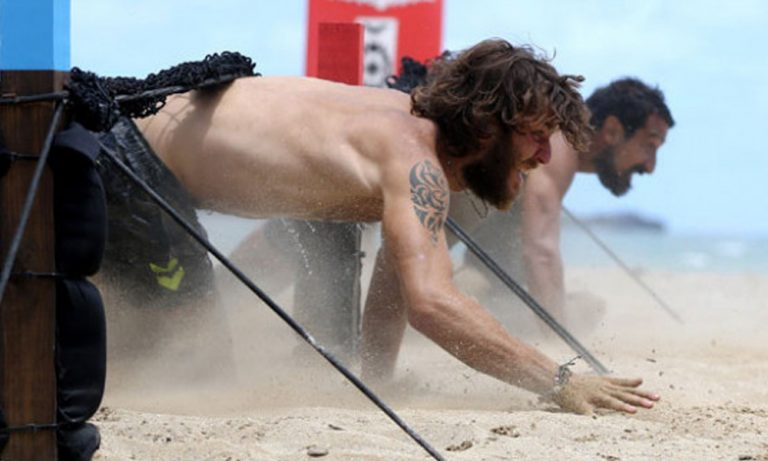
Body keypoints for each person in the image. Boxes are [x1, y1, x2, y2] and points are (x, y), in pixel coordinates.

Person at [105, 38, 659, 414]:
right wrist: (558, 381)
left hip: (138, 158)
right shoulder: (412, 157)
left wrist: (378, 380)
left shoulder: (420, 143)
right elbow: (433, 304)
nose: (545, 155)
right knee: (193, 375)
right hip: (129, 161)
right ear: (490, 127)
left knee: (179, 358)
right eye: (536, 136)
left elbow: (397, 285)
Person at [449, 78, 674, 331]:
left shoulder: (542, 159)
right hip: (425, 240)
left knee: (588, 307)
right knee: (577, 312)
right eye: (649, 145)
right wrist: (558, 339)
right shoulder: (559, 143)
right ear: (612, 130)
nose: (650, 166)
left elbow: (495, 264)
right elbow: (541, 253)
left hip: (469, 270)